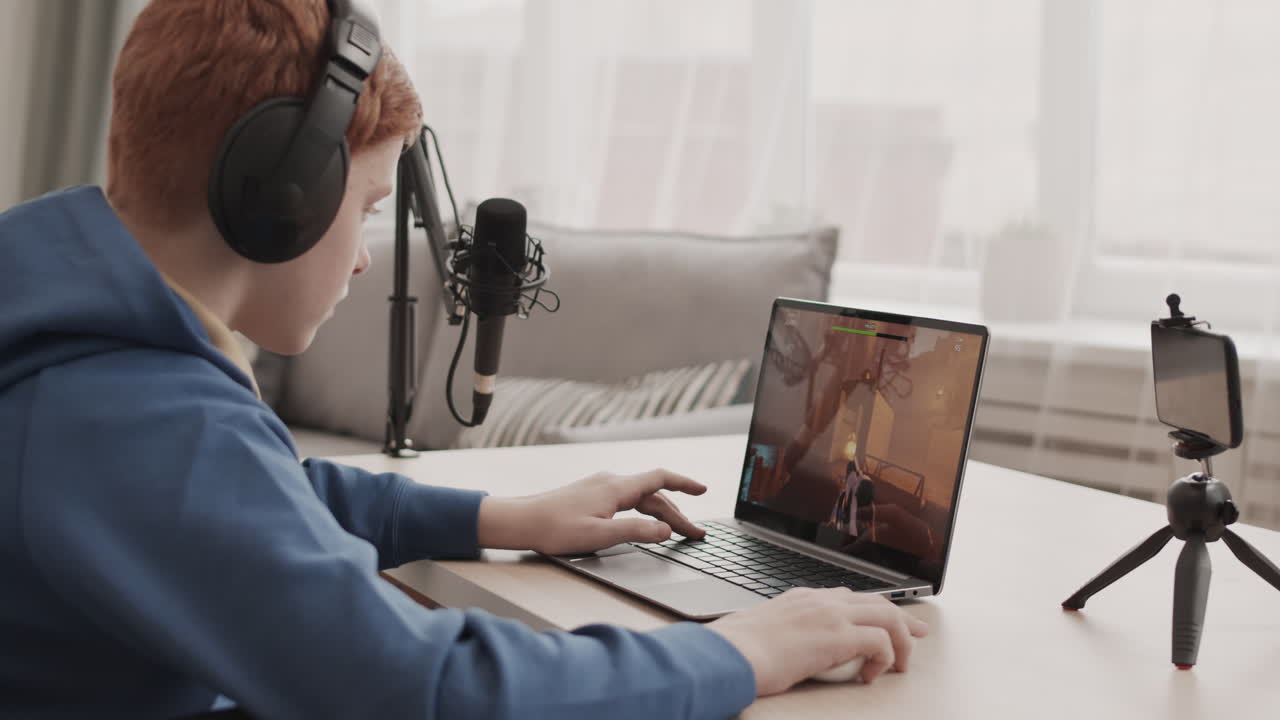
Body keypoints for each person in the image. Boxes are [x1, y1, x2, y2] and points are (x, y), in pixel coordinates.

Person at [0, 1, 927, 718]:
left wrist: (505, 514)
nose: (365, 255)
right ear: (277, 197)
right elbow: (429, 692)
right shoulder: (137, 419)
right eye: (366, 207)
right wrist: (743, 651)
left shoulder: (81, 352)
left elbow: (269, 498)